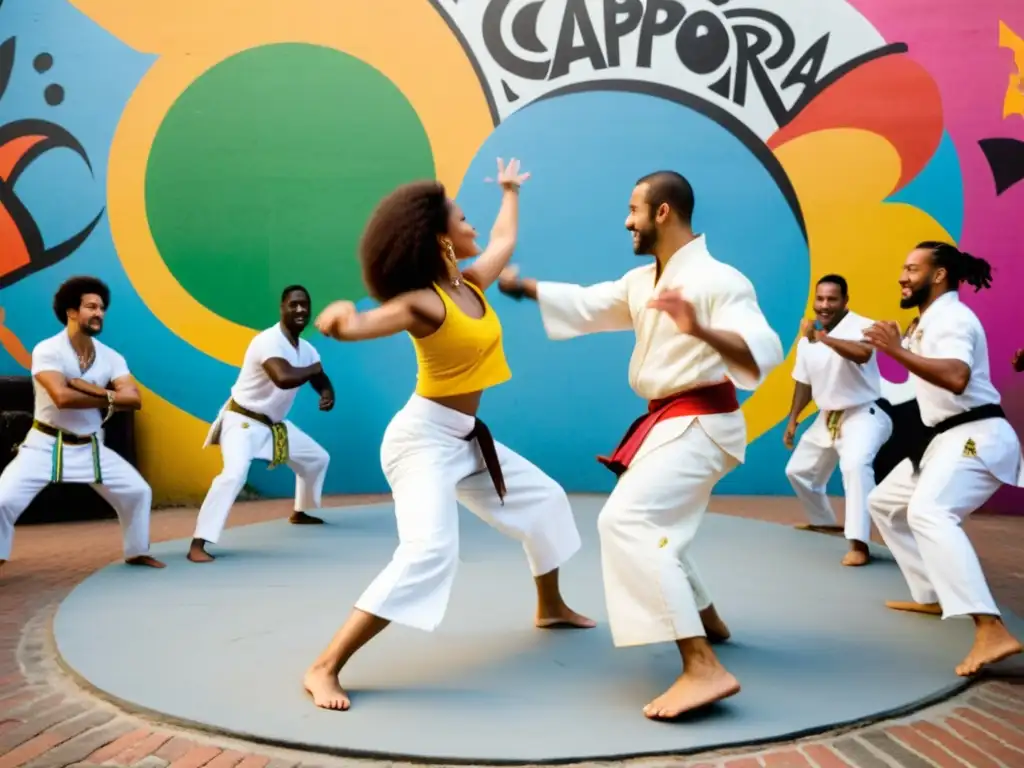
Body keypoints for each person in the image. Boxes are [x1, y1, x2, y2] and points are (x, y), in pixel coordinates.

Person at [303, 158, 593, 711]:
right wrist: (337, 320)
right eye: (463, 218)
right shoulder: (423, 303)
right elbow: (359, 325)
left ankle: (549, 606)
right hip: (421, 442)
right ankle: (324, 666)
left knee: (547, 501)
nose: (474, 226)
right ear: (440, 238)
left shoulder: (472, 284)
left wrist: (510, 190)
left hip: (464, 436)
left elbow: (505, 236)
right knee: (429, 552)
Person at [497, 171, 784, 720]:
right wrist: (524, 286)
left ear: (663, 212)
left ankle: (701, 666)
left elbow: (760, 352)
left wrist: (699, 328)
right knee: (655, 527)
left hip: (702, 421)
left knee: (627, 523)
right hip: (672, 423)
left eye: (633, 209)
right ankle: (707, 618)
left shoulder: (721, 280)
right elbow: (587, 303)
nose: (626, 220)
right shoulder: (642, 280)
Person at [863, 241, 1023, 677]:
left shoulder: (952, 317)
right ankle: (931, 593)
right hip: (946, 439)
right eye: (903, 266)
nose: (902, 275)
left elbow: (956, 377)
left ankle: (990, 629)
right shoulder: (928, 321)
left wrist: (895, 350)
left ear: (938, 276)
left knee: (929, 512)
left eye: (912, 268)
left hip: (975, 436)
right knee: (884, 504)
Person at [0, 276, 163, 573]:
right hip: (45, 444)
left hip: (90, 445)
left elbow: (135, 399)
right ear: (71, 311)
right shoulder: (47, 350)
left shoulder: (111, 357)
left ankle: (137, 552)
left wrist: (91, 389)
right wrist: (111, 398)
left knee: (138, 492)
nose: (99, 313)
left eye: (101, 307)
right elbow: (61, 397)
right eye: (91, 306)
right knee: (2, 500)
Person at [189, 285, 335, 562]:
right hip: (242, 421)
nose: (300, 309)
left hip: (273, 425)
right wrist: (313, 370)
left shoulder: (307, 350)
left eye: (304, 304)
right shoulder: (267, 341)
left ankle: (300, 511)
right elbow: (283, 377)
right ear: (282, 308)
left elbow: (319, 379)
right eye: (293, 305)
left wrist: (327, 393)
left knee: (317, 459)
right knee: (233, 475)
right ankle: (199, 541)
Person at [783, 274, 893, 566]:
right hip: (827, 418)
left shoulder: (862, 325)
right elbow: (803, 382)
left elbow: (862, 354)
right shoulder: (809, 336)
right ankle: (825, 522)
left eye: (832, 299)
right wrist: (793, 419)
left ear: (845, 300)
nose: (824, 305)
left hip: (863, 414)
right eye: (820, 299)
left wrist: (823, 337)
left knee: (855, 466)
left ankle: (859, 544)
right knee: (799, 471)